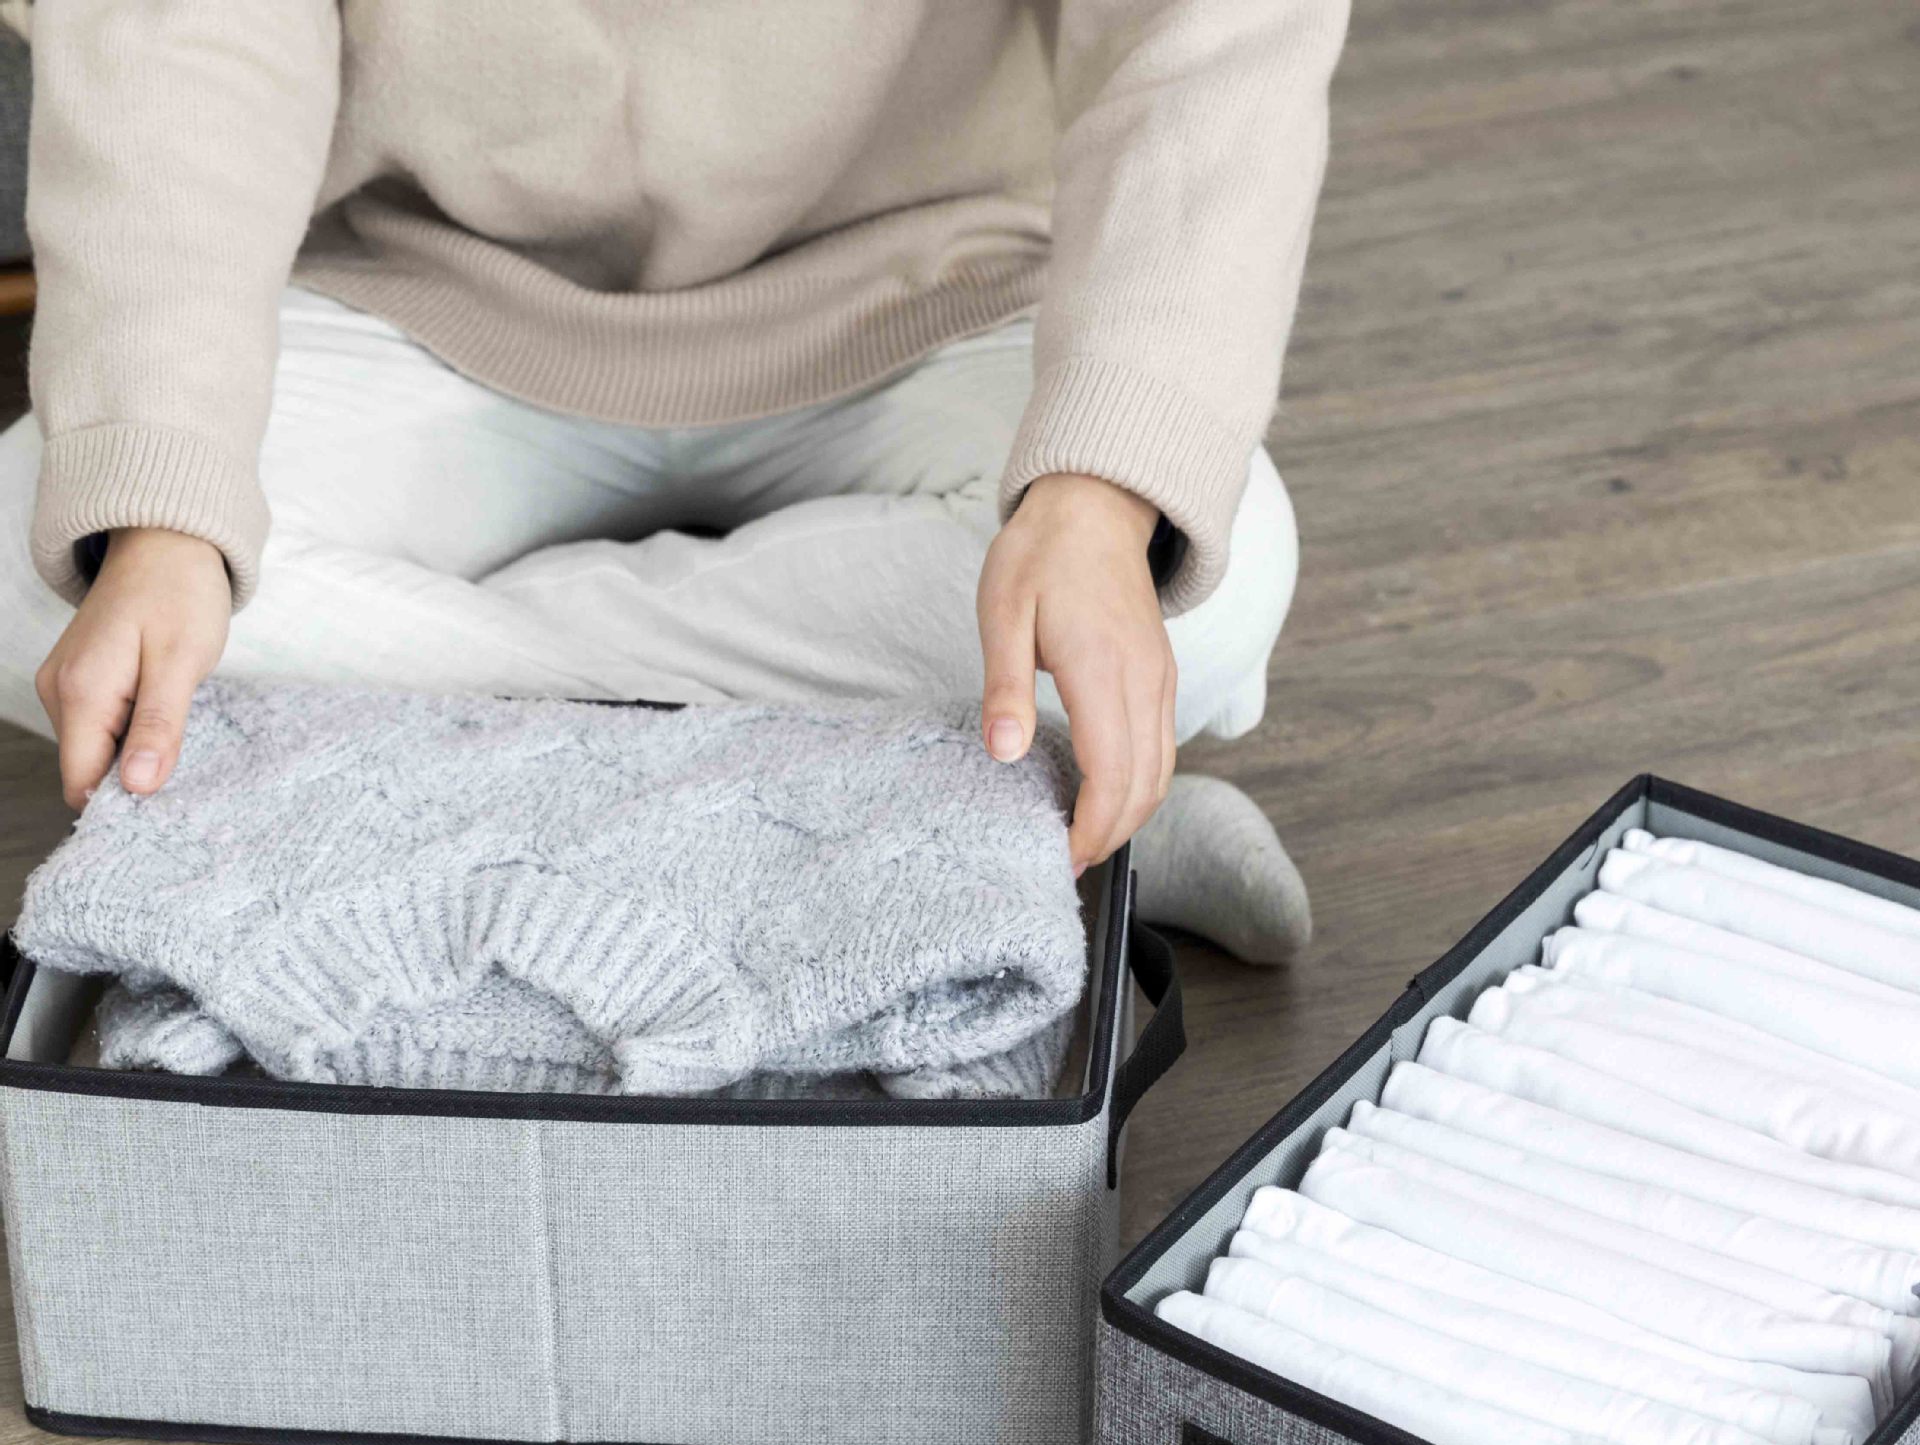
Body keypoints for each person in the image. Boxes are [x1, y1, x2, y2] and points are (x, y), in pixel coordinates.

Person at [0, 0, 1346, 955]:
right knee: (38, 569)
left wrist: (1099, 495)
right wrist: (167, 501)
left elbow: (1207, 38)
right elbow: (177, 31)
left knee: (1211, 582)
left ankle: (326, 779)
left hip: (929, 286)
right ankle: (999, 817)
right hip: (421, 292)